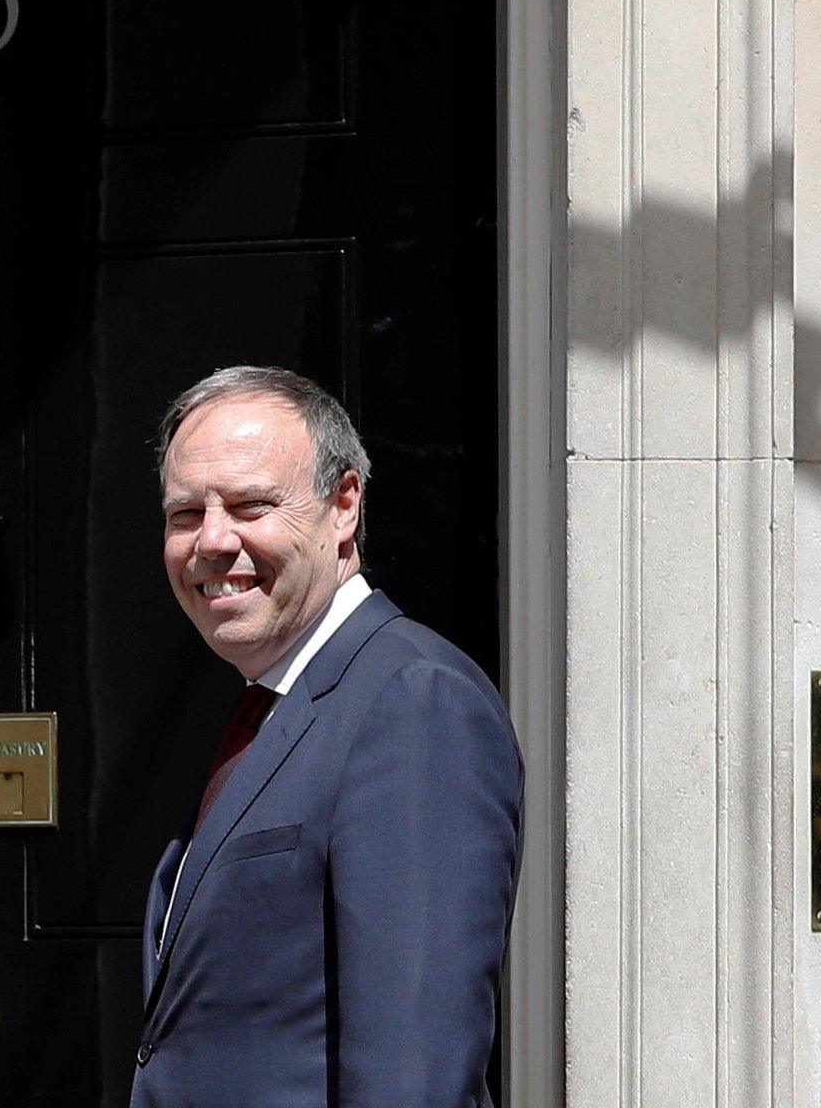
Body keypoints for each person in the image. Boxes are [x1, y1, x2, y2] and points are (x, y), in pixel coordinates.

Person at [132, 366, 522, 1107]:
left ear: (343, 506)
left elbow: (416, 1075)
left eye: (250, 505)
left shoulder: (414, 702)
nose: (212, 541)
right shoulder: (277, 707)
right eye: (186, 514)